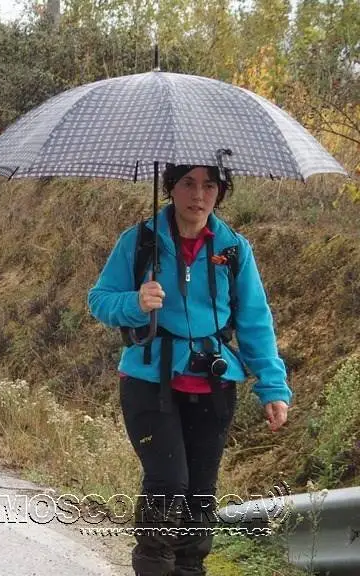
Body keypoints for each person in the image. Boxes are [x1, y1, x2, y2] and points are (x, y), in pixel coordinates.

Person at [87, 164, 291, 576]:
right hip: (148, 381)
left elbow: (254, 320)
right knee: (168, 482)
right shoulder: (140, 241)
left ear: (220, 193)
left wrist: (273, 387)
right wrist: (135, 302)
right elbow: (99, 300)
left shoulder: (234, 249)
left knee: (200, 492)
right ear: (171, 188)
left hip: (213, 383)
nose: (198, 195)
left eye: (209, 186)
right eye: (188, 184)